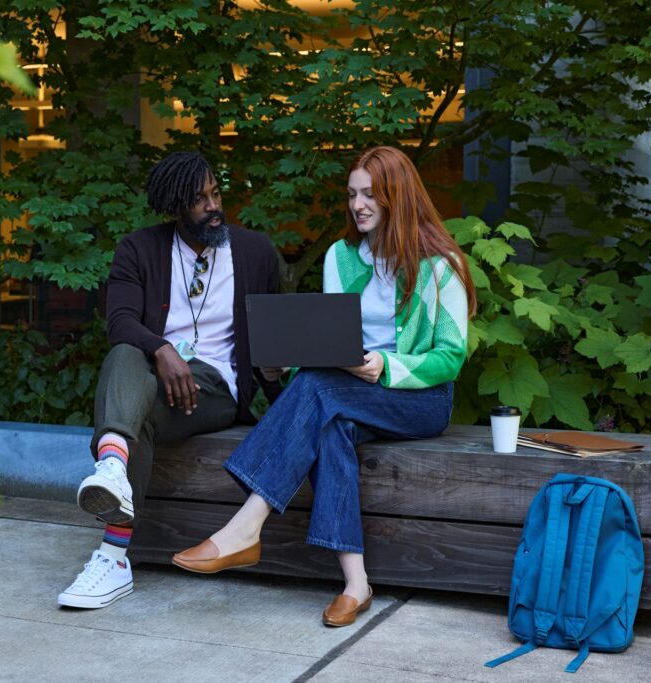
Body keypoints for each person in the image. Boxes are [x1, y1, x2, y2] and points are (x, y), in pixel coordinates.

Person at [171, 146, 477, 627]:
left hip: (420, 400)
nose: (358, 205)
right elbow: (331, 343)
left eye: (371, 195)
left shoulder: (441, 265)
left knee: (321, 392)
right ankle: (356, 585)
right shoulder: (340, 257)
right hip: (346, 390)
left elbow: (451, 357)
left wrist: (386, 367)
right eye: (353, 194)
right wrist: (284, 366)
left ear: (398, 197)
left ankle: (244, 528)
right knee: (327, 423)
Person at [57, 151, 281, 609]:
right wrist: (162, 350)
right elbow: (120, 321)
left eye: (216, 193)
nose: (213, 205)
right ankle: (114, 510)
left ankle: (112, 531)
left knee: (131, 392)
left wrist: (276, 376)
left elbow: (276, 334)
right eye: (199, 200)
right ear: (175, 206)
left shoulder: (256, 252)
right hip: (155, 385)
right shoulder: (140, 249)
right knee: (126, 356)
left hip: (216, 389)